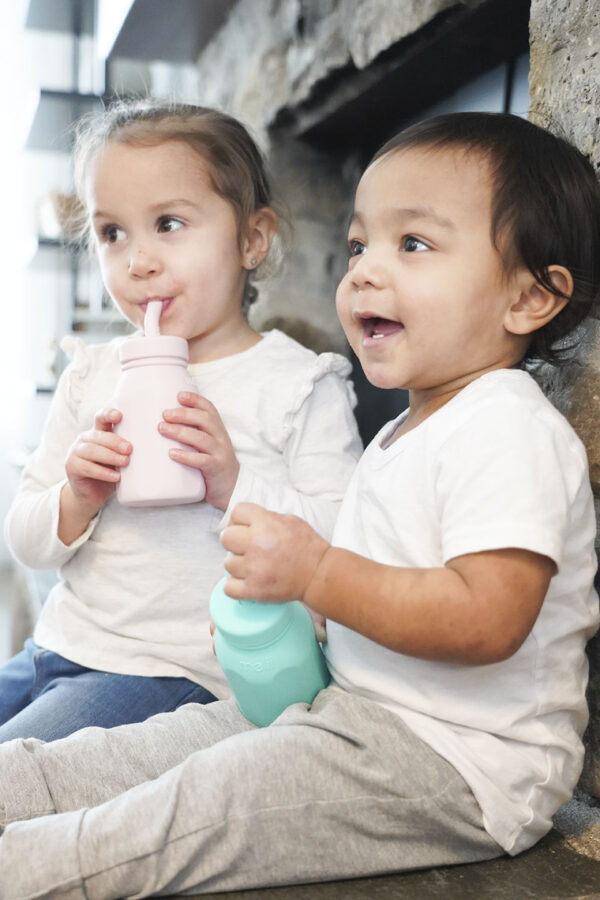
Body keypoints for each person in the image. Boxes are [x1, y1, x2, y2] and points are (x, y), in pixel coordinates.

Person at [0, 111, 599, 899]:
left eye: (412, 244)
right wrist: (279, 614)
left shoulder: (509, 427)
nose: (365, 272)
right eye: (359, 246)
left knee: (191, 808)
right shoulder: (405, 434)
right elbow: (368, 589)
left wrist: (315, 574)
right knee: (119, 757)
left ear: (527, 297)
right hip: (349, 709)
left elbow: (487, 621)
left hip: (460, 761)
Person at [0, 98, 361, 743]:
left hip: (175, 673)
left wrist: (234, 484)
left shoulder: (295, 383)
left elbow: (346, 544)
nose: (137, 261)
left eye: (168, 223)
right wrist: (75, 499)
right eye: (112, 233)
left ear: (251, 240)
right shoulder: (92, 375)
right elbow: (25, 540)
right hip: (58, 646)